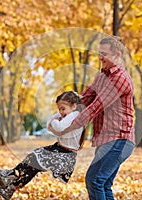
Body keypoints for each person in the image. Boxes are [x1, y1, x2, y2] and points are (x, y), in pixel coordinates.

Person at [49, 36, 135, 200]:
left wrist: (68, 127)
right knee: (103, 184)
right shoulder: (103, 76)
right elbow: (85, 100)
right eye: (99, 53)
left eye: (104, 54)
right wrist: (66, 108)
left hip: (119, 140)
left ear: (117, 55)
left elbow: (95, 107)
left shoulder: (120, 79)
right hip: (107, 139)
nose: (100, 57)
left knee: (95, 180)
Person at [0, 91, 85, 200]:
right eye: (59, 109)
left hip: (64, 155)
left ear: (74, 106)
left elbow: (57, 127)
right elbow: (49, 126)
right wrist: (58, 115)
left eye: (63, 109)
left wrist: (56, 119)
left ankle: (8, 176)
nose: (61, 112)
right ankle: (9, 188)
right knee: (32, 163)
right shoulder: (70, 114)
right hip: (58, 150)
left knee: (34, 158)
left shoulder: (75, 115)